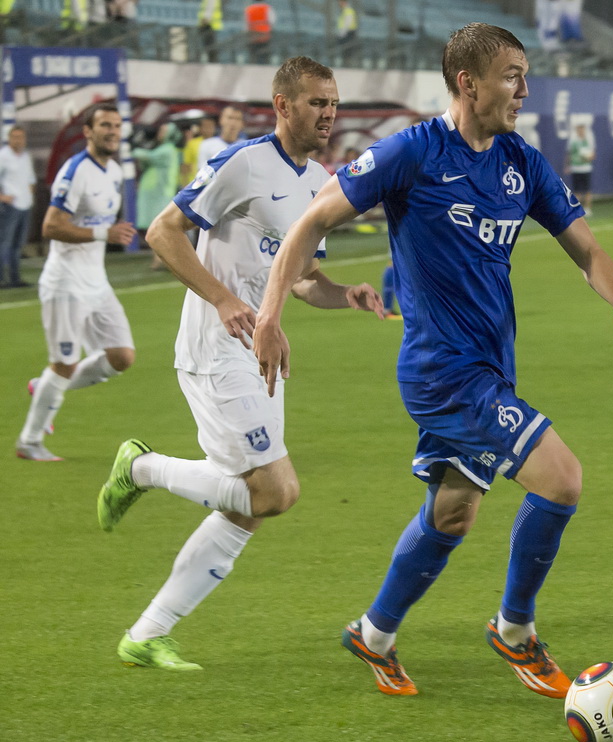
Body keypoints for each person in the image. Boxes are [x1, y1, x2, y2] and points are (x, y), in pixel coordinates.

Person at [253, 23, 613, 698]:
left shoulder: (520, 163)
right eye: (511, 76)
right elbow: (310, 223)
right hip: (443, 373)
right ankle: (514, 632)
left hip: (488, 368)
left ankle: (373, 633)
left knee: (452, 512)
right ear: (467, 82)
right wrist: (269, 316)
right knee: (560, 478)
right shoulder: (411, 153)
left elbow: (585, 249)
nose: (524, 90)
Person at [96, 57, 383, 671]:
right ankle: (141, 468)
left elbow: (300, 278)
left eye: (333, 103)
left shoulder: (320, 181)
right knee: (274, 492)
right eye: (315, 102)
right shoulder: (243, 163)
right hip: (213, 350)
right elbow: (163, 232)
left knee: (246, 507)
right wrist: (223, 298)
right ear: (282, 105)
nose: (328, 113)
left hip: (259, 354)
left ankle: (146, 635)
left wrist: (344, 294)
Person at [16, 103, 137, 462]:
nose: (112, 131)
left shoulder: (114, 171)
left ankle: (45, 388)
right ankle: (30, 441)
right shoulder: (75, 170)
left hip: (96, 282)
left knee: (121, 356)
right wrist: (105, 232)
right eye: (104, 125)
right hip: (65, 284)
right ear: (88, 131)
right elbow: (50, 226)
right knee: (65, 363)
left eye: (116, 125)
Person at [132, 122, 182, 270]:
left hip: (160, 193)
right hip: (154, 193)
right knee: (155, 226)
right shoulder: (162, 149)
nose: (160, 132)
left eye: (164, 130)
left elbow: (145, 156)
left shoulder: (167, 150)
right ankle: (160, 258)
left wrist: (132, 145)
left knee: (160, 226)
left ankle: (167, 259)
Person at [0, 125, 37, 288]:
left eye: (21, 137)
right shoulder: (3, 156)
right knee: (4, 243)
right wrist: (2, 197)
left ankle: (15, 279)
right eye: (15, 137)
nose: (18, 140)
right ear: (9, 138)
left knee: (17, 245)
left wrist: (29, 195)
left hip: (25, 206)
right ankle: (1, 279)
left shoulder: (25, 157)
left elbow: (31, 179)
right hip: (10, 206)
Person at [565, 122, 594, 216]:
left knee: (587, 190)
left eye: (582, 129)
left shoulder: (588, 140)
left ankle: (588, 209)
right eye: (578, 129)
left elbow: (593, 155)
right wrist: (567, 165)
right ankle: (577, 209)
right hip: (576, 168)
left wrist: (589, 157)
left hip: (586, 168)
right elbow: (569, 154)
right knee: (576, 190)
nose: (580, 131)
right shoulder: (573, 141)